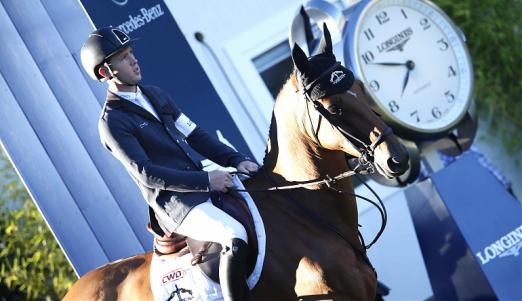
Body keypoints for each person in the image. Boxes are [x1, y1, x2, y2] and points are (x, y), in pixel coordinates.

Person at [80, 27, 258, 301]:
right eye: (124, 57)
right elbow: (146, 173)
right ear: (105, 72)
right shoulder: (111, 122)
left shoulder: (155, 95)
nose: (134, 60)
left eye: (132, 53)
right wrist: (207, 180)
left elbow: (195, 135)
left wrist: (237, 159)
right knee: (233, 235)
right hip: (176, 206)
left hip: (202, 189)